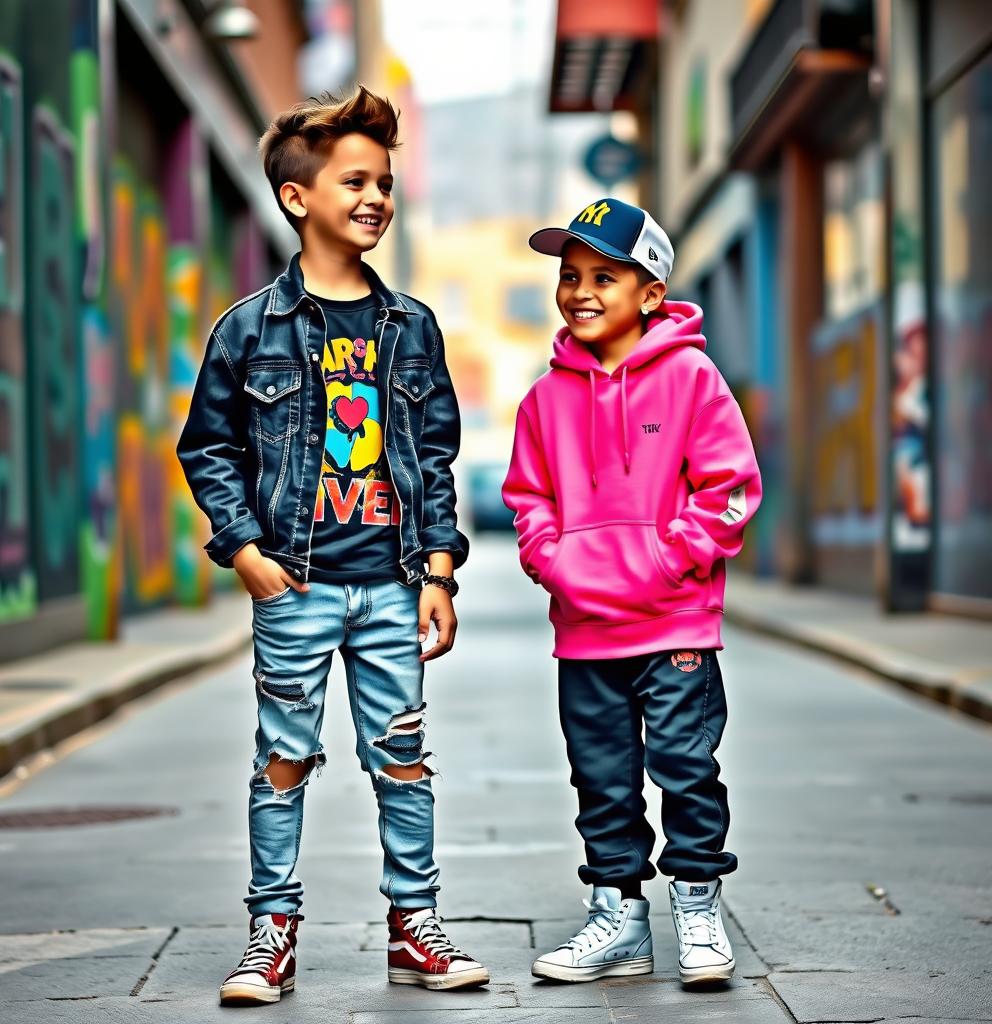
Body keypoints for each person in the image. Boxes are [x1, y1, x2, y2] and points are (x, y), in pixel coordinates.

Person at [177, 85, 489, 1005]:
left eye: (386, 183)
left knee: (402, 756)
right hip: (296, 584)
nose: (376, 197)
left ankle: (413, 925)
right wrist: (243, 553)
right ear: (295, 197)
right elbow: (210, 447)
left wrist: (439, 571)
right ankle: (270, 932)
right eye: (355, 180)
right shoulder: (250, 328)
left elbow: (433, 457)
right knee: (283, 757)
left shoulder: (411, 329)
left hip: (392, 584)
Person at [502, 198, 762, 988]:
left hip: (674, 620)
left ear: (650, 292)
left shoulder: (691, 377)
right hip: (586, 631)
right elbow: (528, 498)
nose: (581, 291)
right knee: (601, 778)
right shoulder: (544, 400)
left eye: (604, 277)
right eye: (570, 275)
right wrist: (551, 558)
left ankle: (697, 904)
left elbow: (729, 488)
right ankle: (618, 917)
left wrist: (668, 560)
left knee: (686, 767)